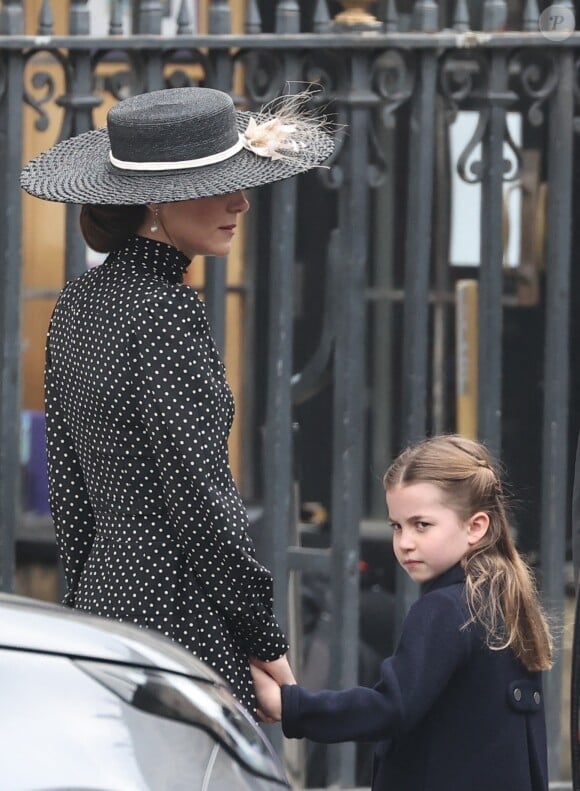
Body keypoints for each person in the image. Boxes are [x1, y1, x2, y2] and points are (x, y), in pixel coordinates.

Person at [20, 86, 334, 714]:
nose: (242, 201)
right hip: (175, 612)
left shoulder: (79, 303)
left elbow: (71, 490)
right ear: (157, 200)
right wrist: (263, 637)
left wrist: (86, 611)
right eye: (220, 183)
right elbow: (199, 494)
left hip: (108, 608)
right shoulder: (162, 310)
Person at [252, 434, 552, 790]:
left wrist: (292, 706)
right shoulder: (502, 600)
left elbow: (391, 708)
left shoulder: (446, 608)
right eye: (397, 526)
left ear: (476, 527)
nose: (405, 542)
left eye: (421, 525)